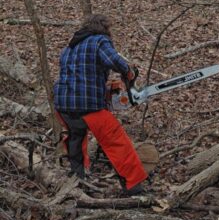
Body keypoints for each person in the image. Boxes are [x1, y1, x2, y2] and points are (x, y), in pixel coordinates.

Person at [54, 14, 149, 195]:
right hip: (89, 107)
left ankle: (77, 181)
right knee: (116, 142)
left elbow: (80, 76)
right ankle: (134, 187)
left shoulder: (69, 48)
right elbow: (114, 61)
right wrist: (128, 73)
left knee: (76, 141)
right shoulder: (99, 41)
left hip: (63, 104)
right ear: (103, 28)